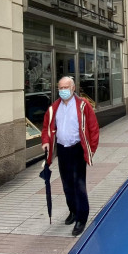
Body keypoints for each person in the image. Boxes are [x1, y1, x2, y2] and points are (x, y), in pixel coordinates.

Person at [41, 76, 100, 236]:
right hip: (62, 150)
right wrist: (46, 141)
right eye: (60, 88)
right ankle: (73, 211)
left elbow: (93, 127)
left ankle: (82, 217)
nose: (63, 91)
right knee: (67, 184)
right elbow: (46, 126)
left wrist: (91, 149)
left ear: (73, 88)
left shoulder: (83, 105)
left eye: (66, 87)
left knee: (78, 184)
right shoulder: (54, 108)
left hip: (77, 149)